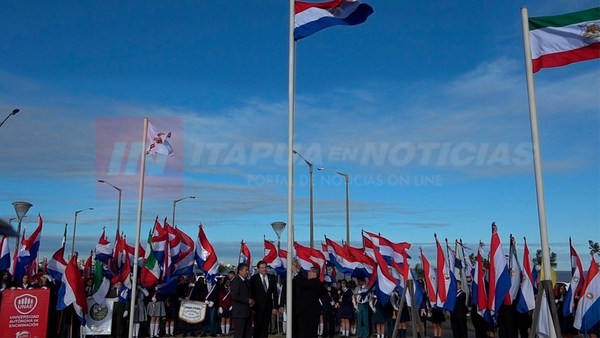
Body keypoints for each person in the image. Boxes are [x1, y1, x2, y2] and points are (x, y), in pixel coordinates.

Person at [249, 260, 279, 338]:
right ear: (258, 269)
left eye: (265, 267)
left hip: (268, 307)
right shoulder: (253, 279)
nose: (264, 269)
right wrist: (252, 307)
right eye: (262, 268)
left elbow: (275, 293)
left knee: (265, 328)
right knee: (257, 328)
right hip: (257, 308)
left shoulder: (271, 277)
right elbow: (251, 293)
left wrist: (275, 307)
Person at [294, 265, 324, 338]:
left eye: (310, 272)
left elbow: (302, 283)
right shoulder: (310, 282)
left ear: (315, 274)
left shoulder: (316, 282)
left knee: (308, 333)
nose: (308, 273)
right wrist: (298, 270)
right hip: (305, 313)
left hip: (310, 313)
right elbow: (303, 282)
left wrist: (295, 272)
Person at [230, 263, 253, 338]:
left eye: (248, 270)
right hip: (239, 313)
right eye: (246, 270)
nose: (247, 272)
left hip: (247, 312)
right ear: (240, 271)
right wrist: (247, 300)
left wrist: (251, 301)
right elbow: (234, 296)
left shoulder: (246, 281)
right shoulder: (236, 281)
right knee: (239, 334)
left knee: (247, 333)